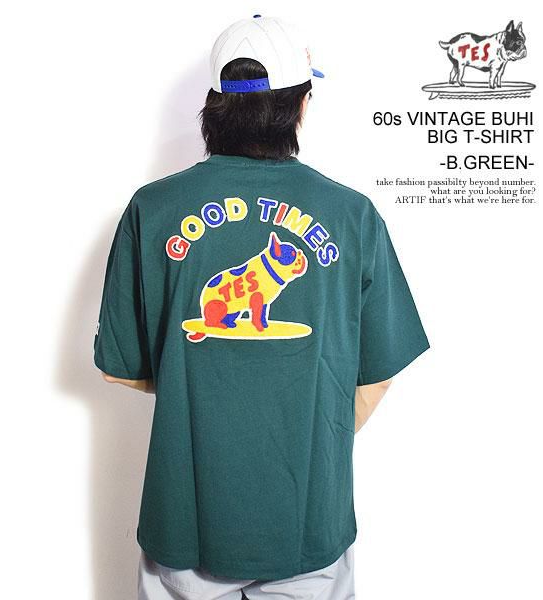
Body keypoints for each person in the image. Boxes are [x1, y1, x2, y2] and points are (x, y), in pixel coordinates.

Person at [93, 14, 430, 600]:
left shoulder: (152, 208)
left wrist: (201, 389)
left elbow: (121, 367)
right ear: (301, 104)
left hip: (185, 522)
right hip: (309, 518)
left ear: (214, 106)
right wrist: (313, 427)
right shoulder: (352, 215)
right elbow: (378, 371)